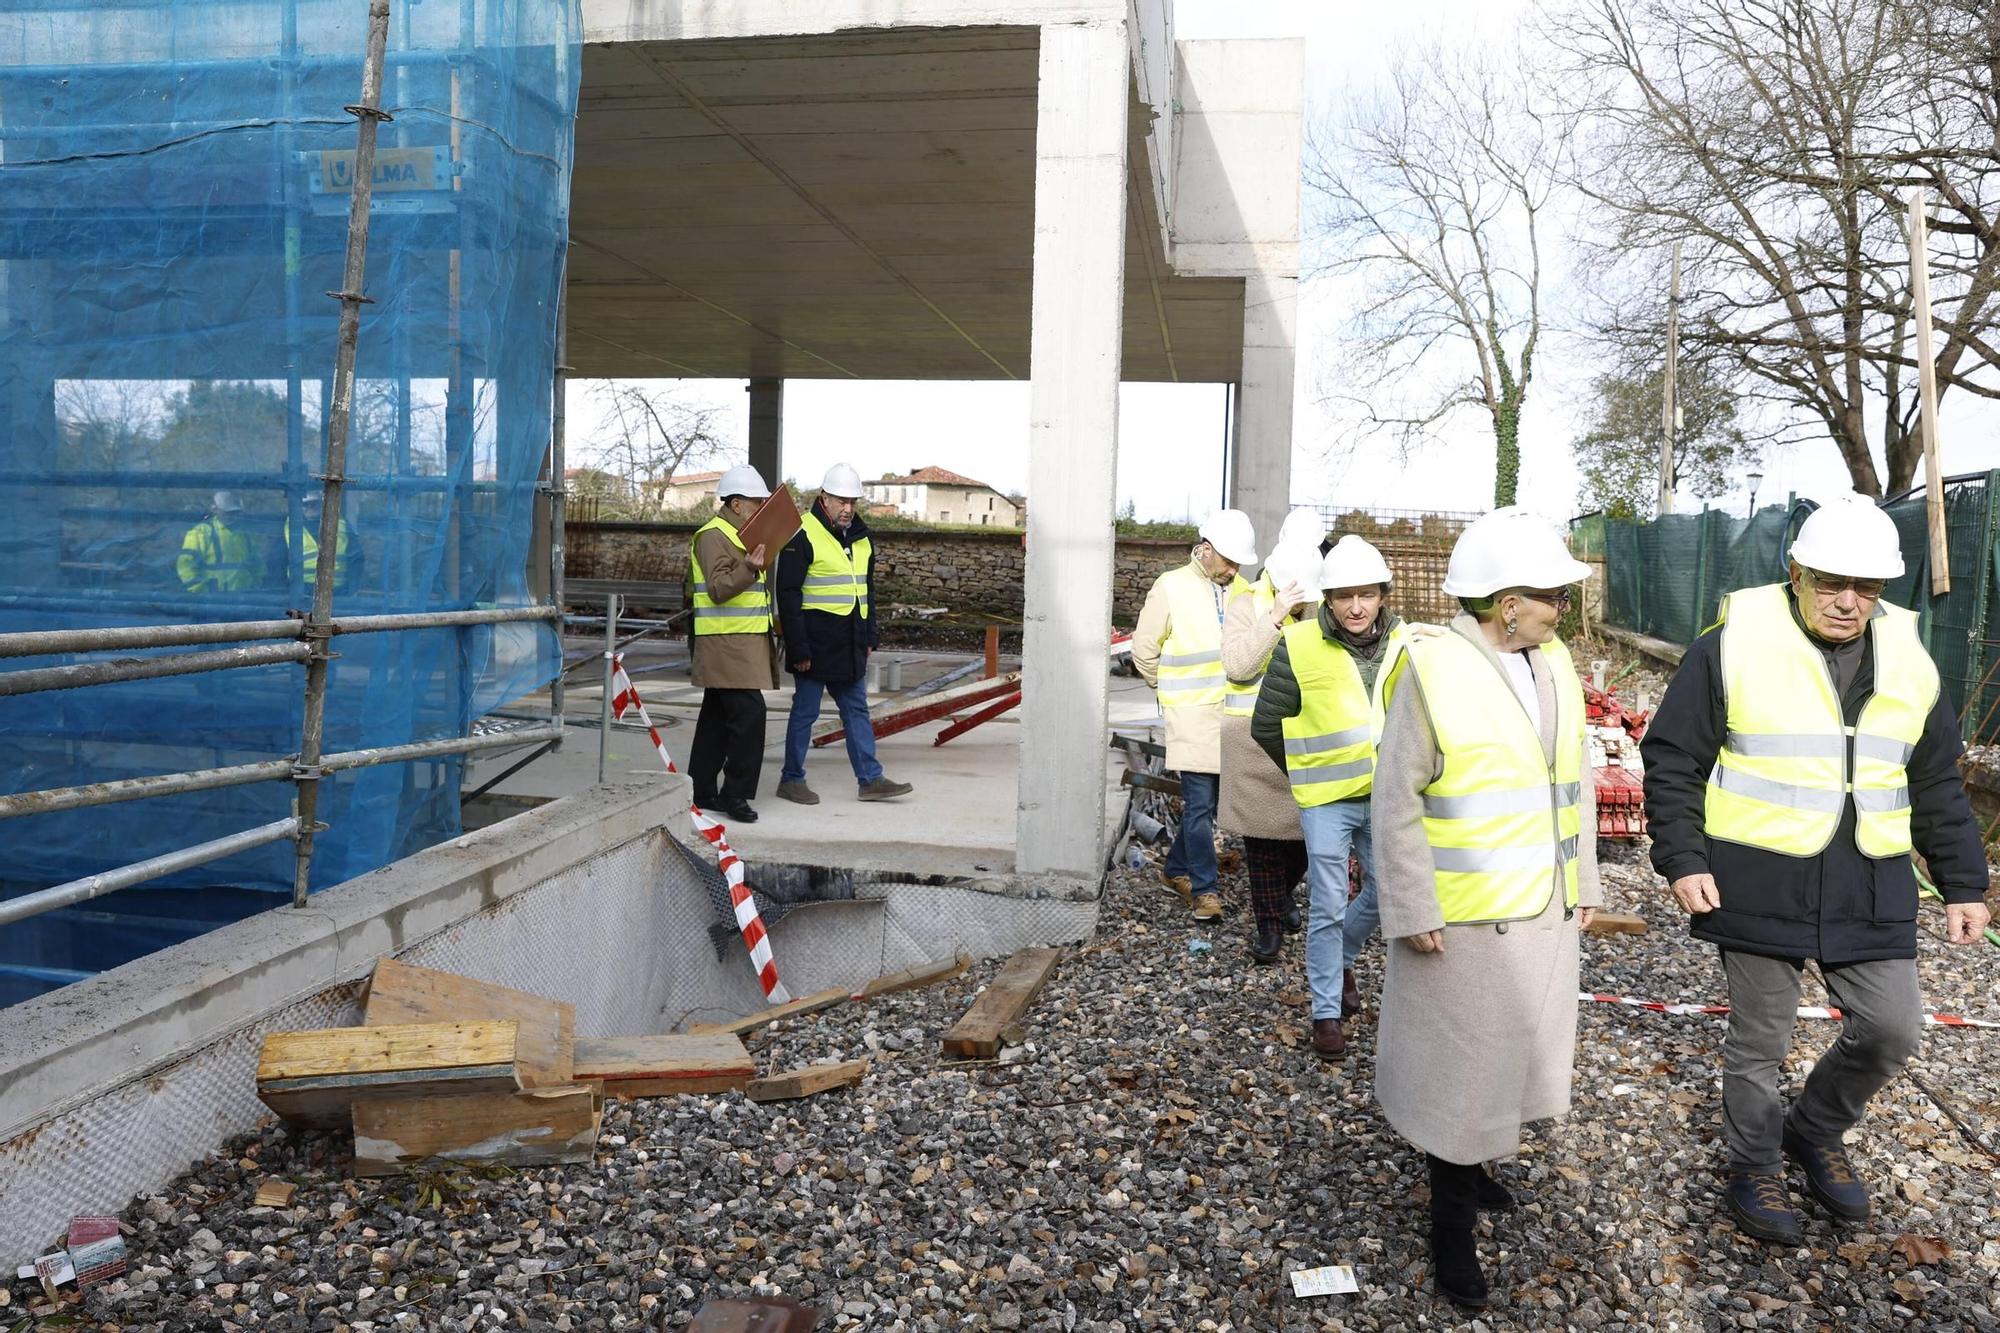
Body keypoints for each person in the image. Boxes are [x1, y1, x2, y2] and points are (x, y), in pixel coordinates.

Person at [1641, 492, 1992, 1245]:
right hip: (1756, 872)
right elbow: (1673, 759)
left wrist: (1965, 881)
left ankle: (1814, 1127)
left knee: (1893, 1028)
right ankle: (1754, 1161)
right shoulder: (1728, 645)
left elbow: (1933, 777)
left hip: (1870, 878)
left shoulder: (1910, 656)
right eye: (1831, 581)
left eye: (1867, 587)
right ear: (1794, 570)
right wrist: (1681, 856)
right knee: (1759, 1040)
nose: (1848, 600)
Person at [1370, 506, 1600, 1308]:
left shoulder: (1556, 662)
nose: (1562, 608)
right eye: (1551, 595)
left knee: (1512, 1060)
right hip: (1460, 919)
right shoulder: (1432, 669)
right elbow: (1394, 797)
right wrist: (1409, 904)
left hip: (1542, 910)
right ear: (1506, 601)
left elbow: (1571, 782)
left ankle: (1475, 1171)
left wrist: (1587, 890)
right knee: (1457, 1078)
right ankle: (1450, 1225)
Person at [1252, 535, 1409, 1060]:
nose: (1356, 606)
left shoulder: (1407, 645)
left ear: (1383, 595)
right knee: (1326, 905)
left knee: (1389, 892)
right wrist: (1306, 775)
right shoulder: (1297, 645)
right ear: (1328, 599)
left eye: (1367, 594)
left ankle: (1340, 959)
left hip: (1386, 797)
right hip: (1326, 800)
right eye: (1344, 596)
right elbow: (1267, 725)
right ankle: (1325, 1013)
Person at [1132, 508, 1258, 920]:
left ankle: (1173, 870)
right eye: (1228, 560)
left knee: (1213, 805)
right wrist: (1166, 690)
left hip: (1232, 717)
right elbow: (1144, 651)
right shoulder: (1171, 586)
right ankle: (1205, 891)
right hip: (1190, 717)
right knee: (1201, 805)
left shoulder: (1244, 589)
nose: (1234, 568)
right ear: (1205, 550)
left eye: (1239, 562)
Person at [773, 463, 913, 804]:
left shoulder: (862, 539)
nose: (847, 508)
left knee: (857, 711)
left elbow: (866, 592)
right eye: (840, 501)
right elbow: (787, 594)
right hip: (814, 643)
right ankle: (791, 780)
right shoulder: (802, 533)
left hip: (849, 641)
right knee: (805, 712)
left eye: (852, 501)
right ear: (824, 498)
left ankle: (870, 779)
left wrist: (868, 637)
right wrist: (798, 649)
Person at [1219, 526, 1322, 967]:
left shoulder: (1317, 609)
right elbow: (1238, 666)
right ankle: (1269, 930)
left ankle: (1279, 898)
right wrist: (1276, 617)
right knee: (1261, 844)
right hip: (1249, 743)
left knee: (1305, 839)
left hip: (1301, 739)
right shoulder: (1248, 605)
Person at [686, 464, 780, 822]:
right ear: (737, 503)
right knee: (749, 714)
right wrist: (750, 567)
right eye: (757, 503)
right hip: (725, 644)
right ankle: (735, 794)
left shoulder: (738, 534)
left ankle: (701, 789)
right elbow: (718, 588)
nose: (760, 510)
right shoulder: (714, 536)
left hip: (739, 642)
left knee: (716, 720)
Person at [177, 490, 257, 594]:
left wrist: (256, 584)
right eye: (227, 512)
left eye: (235, 512)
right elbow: (185, 564)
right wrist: (199, 590)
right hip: (213, 601)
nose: (232, 516)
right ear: (215, 510)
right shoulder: (200, 532)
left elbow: (257, 563)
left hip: (244, 598)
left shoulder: (246, 534)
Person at [285, 493, 362, 595]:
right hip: (301, 590)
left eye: (313, 504)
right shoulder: (290, 527)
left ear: (322, 504)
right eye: (305, 505)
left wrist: (352, 588)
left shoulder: (342, 526)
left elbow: (356, 559)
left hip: (337, 591)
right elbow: (278, 561)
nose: (310, 508)